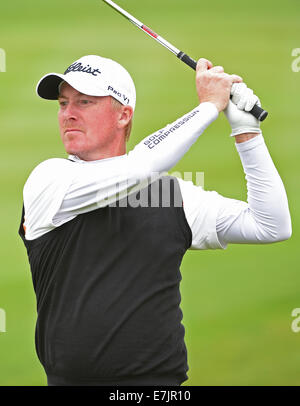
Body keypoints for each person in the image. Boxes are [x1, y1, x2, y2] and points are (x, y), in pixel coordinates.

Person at [19, 54, 291, 386]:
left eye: (85, 101)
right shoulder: (51, 180)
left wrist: (246, 131)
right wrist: (208, 107)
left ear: (123, 115)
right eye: (63, 103)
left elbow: (270, 225)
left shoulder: (172, 196)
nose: (68, 114)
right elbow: (139, 168)